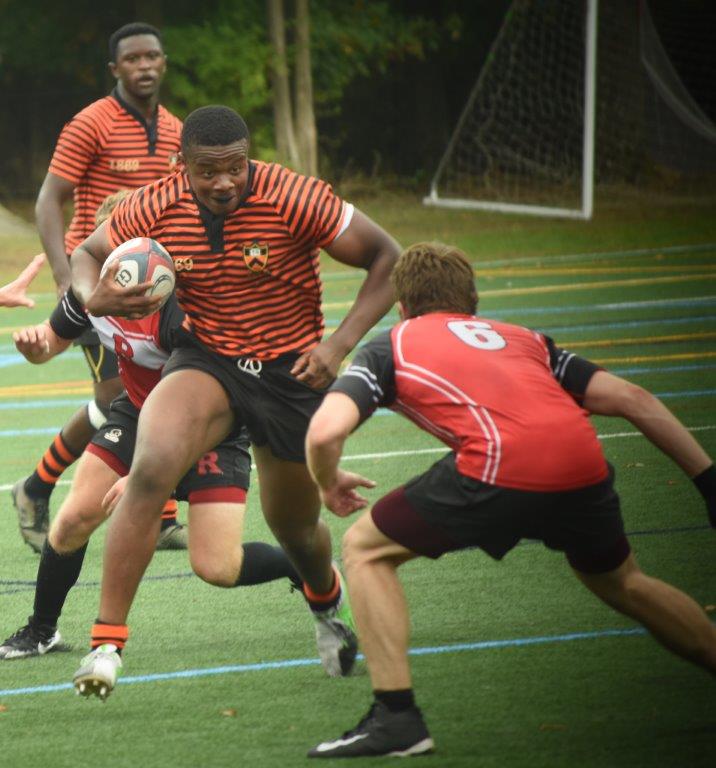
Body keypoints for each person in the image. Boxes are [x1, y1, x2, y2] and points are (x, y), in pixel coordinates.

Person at [303, 242, 716, 758]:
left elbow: (323, 434)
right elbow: (636, 400)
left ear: (403, 307)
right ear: (473, 301)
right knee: (623, 581)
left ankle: (397, 718)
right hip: (583, 463)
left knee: (366, 549)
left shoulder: (394, 344)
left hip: (501, 464)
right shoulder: (524, 339)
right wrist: (707, 481)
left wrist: (327, 481)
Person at [67, 104, 401, 698]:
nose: (224, 182)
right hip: (209, 361)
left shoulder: (294, 195)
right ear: (182, 166)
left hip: (291, 372)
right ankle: (106, 646)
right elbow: (88, 254)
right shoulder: (156, 203)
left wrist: (339, 345)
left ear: (249, 159)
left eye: (235, 169)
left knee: (294, 528)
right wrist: (97, 298)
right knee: (150, 467)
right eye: (207, 171)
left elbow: (387, 257)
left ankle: (325, 603)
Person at [0, 263, 303, 676]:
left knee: (216, 566)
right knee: (73, 518)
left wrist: (147, 474)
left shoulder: (184, 312)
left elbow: (218, 400)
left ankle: (299, 564)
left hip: (212, 426)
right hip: (136, 414)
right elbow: (50, 343)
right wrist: (37, 346)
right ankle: (41, 630)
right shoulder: (91, 291)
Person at [12, 22, 185, 553]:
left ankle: (40, 486)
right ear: (115, 68)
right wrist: (73, 286)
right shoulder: (90, 123)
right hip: (98, 290)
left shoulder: (177, 130)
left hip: (154, 288)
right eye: (133, 59)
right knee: (119, 398)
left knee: (140, 394)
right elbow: (48, 200)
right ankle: (51, 489)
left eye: (153, 56)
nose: (145, 66)